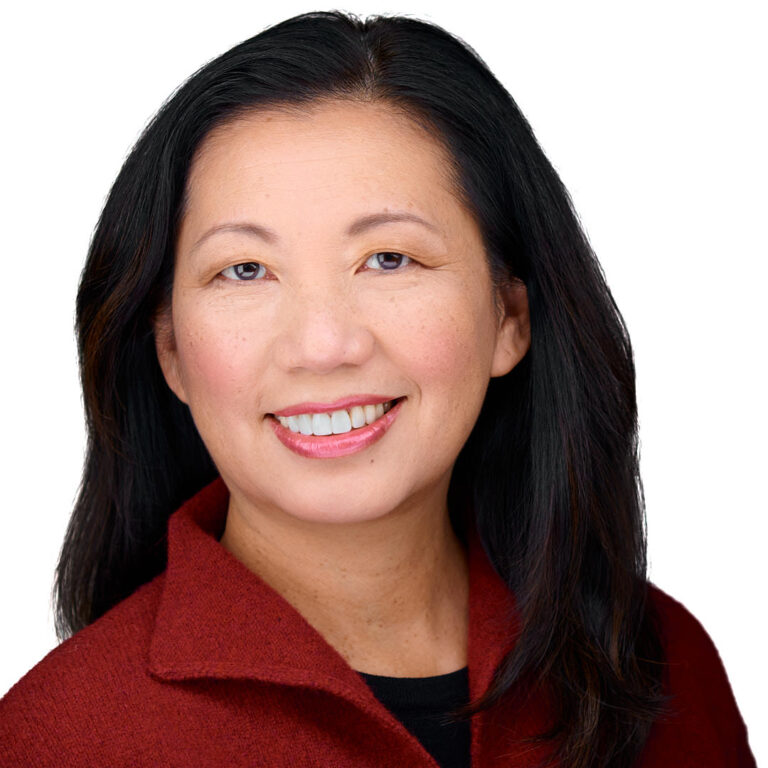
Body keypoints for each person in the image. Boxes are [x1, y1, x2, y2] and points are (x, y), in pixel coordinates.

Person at [0, 10, 756, 768]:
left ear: (510, 319)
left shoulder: (662, 667)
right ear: (169, 351)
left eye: (389, 259)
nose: (325, 345)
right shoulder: (59, 740)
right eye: (244, 270)